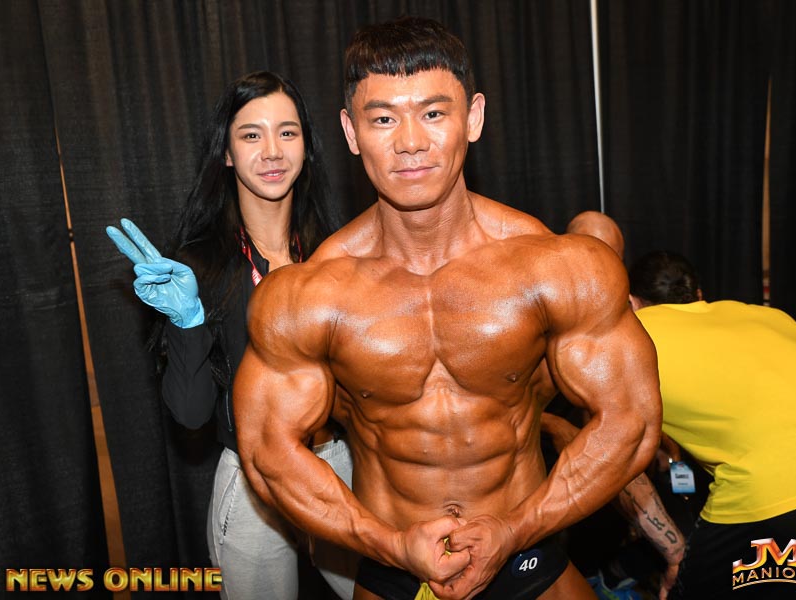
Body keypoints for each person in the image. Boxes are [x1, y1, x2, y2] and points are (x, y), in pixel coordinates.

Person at [233, 17, 663, 600]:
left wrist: (515, 530)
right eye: (383, 119)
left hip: (529, 553)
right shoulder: (308, 297)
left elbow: (631, 423)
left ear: (474, 117)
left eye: (434, 113)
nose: (410, 141)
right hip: (392, 564)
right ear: (351, 132)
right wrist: (389, 544)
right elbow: (268, 454)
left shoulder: (556, 268)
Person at [106, 71, 357, 600]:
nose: (272, 151)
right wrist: (188, 324)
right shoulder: (199, 267)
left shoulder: (337, 250)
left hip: (337, 463)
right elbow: (191, 414)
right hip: (250, 477)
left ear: (307, 146)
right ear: (226, 152)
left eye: (287, 132)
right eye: (251, 135)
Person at [627, 250, 796, 600]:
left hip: (767, 495)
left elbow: (617, 454)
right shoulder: (767, 315)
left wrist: (673, 555)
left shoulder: (633, 338)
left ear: (632, 303)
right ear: (698, 294)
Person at [545, 211, 684, 600]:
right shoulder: (535, 309)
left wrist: (662, 438)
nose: (596, 267)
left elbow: (625, 418)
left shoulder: (617, 322)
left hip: (605, 482)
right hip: (541, 482)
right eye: (586, 252)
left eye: (608, 256)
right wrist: (553, 425)